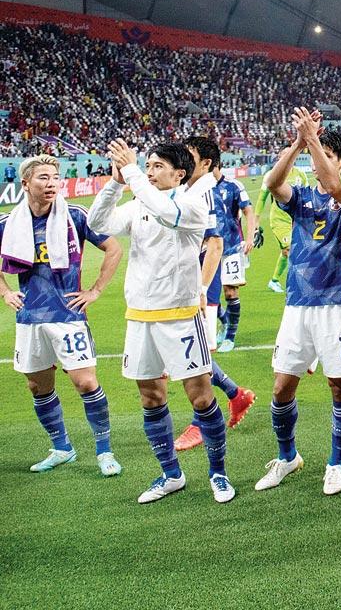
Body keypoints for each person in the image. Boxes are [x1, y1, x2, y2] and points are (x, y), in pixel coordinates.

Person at [88, 140, 236, 504]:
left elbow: (162, 210)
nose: (150, 171)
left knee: (200, 398)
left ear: (179, 173)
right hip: (140, 318)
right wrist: (115, 183)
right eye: (148, 166)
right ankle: (171, 474)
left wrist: (133, 171)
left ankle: (218, 473)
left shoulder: (191, 205)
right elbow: (97, 222)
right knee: (150, 397)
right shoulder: (140, 202)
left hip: (181, 318)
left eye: (157, 166)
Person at [255, 109, 341, 495]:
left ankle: (335, 464)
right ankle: (288, 458)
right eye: (316, 156)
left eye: (327, 156)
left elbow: (336, 187)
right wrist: (299, 142)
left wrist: (313, 139)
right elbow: (271, 182)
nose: (318, 164)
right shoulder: (299, 196)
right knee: (282, 386)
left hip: (336, 303)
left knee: (340, 388)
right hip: (297, 304)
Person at [1, 155, 123, 476]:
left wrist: (95, 290)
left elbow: (114, 249)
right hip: (29, 317)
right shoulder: (9, 223)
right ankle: (62, 447)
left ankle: (104, 451)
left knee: (85, 382)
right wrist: (5, 290)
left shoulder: (75, 216)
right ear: (25, 184)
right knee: (37, 387)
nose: (52, 182)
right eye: (43, 177)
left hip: (67, 315)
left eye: (55, 177)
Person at [174, 137, 257, 453]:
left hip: (204, 274)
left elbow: (216, 242)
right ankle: (237, 394)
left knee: (193, 355)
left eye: (189, 156)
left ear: (206, 163)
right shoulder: (183, 191)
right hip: (184, 277)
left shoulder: (213, 191)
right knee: (191, 353)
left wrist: (201, 285)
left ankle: (200, 422)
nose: (181, 159)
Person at [203, 145, 258, 352]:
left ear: (214, 164)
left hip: (232, 247)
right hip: (207, 250)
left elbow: (248, 212)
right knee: (206, 292)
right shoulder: (200, 189)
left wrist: (250, 237)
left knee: (230, 293)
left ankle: (230, 337)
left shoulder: (234, 186)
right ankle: (224, 319)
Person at [254, 158, 309, 294]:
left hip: (296, 217)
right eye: (283, 156)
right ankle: (296, 283)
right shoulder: (272, 175)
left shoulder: (300, 174)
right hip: (279, 220)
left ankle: (274, 280)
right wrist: (256, 221)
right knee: (289, 249)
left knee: (291, 250)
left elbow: (307, 194)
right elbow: (262, 198)